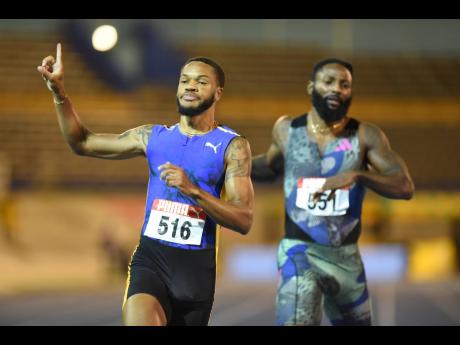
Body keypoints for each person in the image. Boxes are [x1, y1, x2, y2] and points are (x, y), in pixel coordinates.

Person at [37, 43, 254, 326]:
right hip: (151, 262)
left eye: (201, 82)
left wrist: (194, 191)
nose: (190, 86)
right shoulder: (151, 137)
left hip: (196, 274)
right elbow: (82, 142)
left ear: (217, 93)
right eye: (184, 80)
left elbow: (244, 219)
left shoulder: (233, 147)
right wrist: (59, 94)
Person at [251, 58, 414, 326]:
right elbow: (269, 167)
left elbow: (404, 186)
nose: (337, 89)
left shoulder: (365, 136)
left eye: (344, 84)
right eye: (328, 81)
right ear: (311, 87)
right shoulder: (287, 131)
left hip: (345, 257)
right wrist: (231, 162)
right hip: (299, 250)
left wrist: (357, 174)